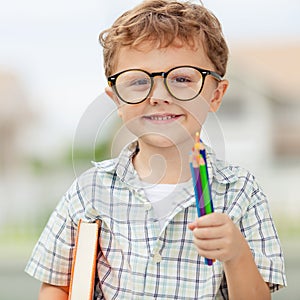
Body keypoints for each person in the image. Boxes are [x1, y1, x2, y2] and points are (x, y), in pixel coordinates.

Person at [25, 0, 287, 299]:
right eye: (138, 81)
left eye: (182, 79)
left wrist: (237, 254)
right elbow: (57, 285)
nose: (159, 95)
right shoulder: (89, 190)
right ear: (117, 100)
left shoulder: (241, 191)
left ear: (216, 95)